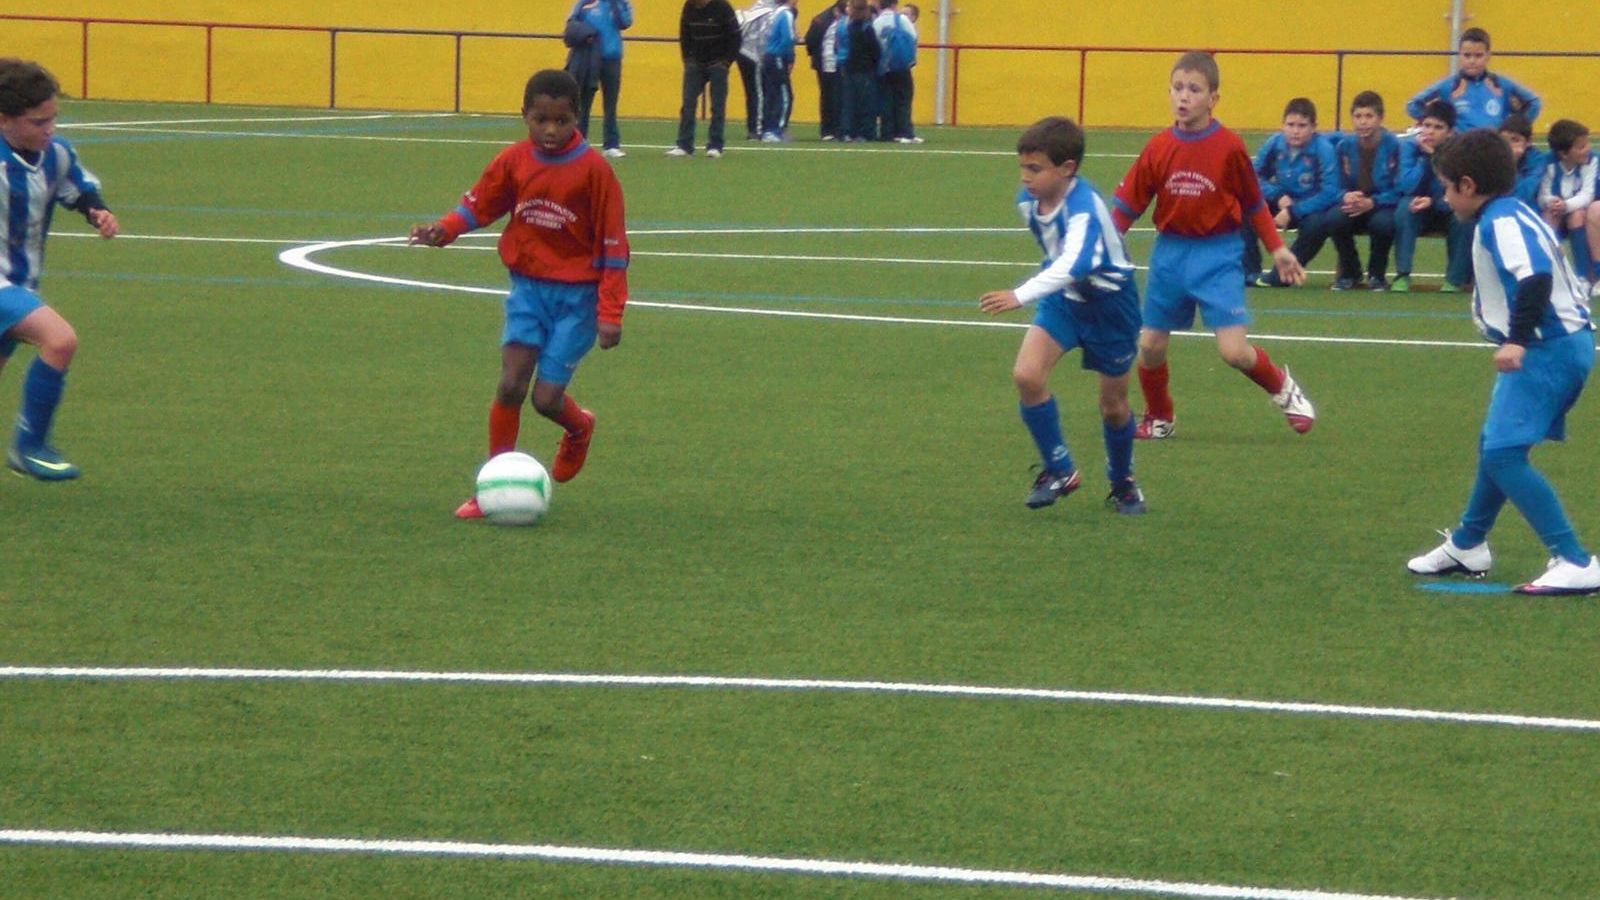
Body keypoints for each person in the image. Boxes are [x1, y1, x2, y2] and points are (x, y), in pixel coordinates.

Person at [409, 70, 629, 519]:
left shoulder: (595, 172)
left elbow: (613, 246)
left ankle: (579, 426)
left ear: (577, 118)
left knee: (545, 399)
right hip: (528, 290)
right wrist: (443, 230)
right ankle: (490, 487)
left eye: (562, 121)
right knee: (510, 384)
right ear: (524, 115)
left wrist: (610, 311)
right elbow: (478, 205)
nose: (551, 130)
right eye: (540, 119)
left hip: (578, 300)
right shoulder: (513, 161)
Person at [1406, 129, 1600, 595]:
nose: (1444, 196)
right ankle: (1469, 543)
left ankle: (1574, 559)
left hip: (1548, 347)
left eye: (1447, 186)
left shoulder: (1501, 220)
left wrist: (1516, 340)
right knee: (1497, 443)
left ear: (1468, 186)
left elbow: (1533, 276)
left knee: (1503, 452)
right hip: (1558, 344)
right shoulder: (1507, 211)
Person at [1110, 51, 1314, 441]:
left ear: (1213, 98)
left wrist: (1276, 248)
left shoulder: (1229, 147)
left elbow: (1254, 202)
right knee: (1149, 345)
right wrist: (1102, 244)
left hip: (1217, 254)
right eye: (1177, 88)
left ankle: (1285, 390)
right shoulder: (1158, 147)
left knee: (1234, 352)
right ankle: (1160, 417)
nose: (1183, 97)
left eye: (1194, 89)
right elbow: (1127, 205)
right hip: (1170, 253)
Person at [978, 116, 1145, 514]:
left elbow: (1073, 263)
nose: (1025, 178)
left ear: (1067, 169)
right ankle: (1060, 470)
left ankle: (1123, 482)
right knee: (1026, 375)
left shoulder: (1086, 209)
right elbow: (1059, 262)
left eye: (1035, 169)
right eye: (1022, 168)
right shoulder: (1028, 204)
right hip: (1066, 300)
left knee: (1113, 406)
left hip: (1111, 307)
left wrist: (1019, 295)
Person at [0, 59, 116, 481]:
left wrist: (97, 212)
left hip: (19, 281)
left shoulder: (57, 155)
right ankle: (28, 448)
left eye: (53, 119)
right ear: (4, 119)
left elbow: (78, 189)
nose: (49, 129)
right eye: (37, 122)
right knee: (60, 340)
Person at [1247, 98, 1341, 288]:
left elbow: (1330, 191)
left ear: (1313, 127)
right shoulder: (1275, 143)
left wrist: (1292, 211)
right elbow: (1251, 177)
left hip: (1310, 207)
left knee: (1318, 225)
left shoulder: (1323, 149)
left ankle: (1282, 274)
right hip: (1282, 200)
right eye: (1290, 125)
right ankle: (1250, 271)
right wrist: (1277, 195)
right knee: (1244, 209)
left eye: (1302, 125)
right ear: (1283, 125)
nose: (1295, 131)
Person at [1392, 99, 1474, 292]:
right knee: (1405, 208)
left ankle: (1454, 279)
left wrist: (1433, 158)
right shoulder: (1409, 147)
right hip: (1418, 207)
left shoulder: (1459, 151)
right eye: (1426, 125)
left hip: (1447, 207)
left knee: (1463, 217)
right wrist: (1424, 160)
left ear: (1450, 132)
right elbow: (1405, 185)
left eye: (1438, 127)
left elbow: (1457, 191)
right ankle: (1402, 274)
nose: (1430, 132)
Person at [1325, 90, 1402, 291]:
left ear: (1380, 118)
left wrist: (1373, 202)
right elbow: (1333, 184)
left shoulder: (1395, 146)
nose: (1363, 122)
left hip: (1382, 203)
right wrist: (1344, 195)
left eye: (1369, 116)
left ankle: (1377, 275)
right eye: (1358, 116)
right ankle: (1350, 272)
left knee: (1383, 224)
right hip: (1354, 202)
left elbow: (1399, 189)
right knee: (1334, 219)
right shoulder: (1344, 146)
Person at [1405, 27, 1540, 132]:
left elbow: (1534, 102)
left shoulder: (1502, 84)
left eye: (1478, 55)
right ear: (1459, 55)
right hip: (1459, 150)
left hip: (1495, 151)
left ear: (1488, 56)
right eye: (1467, 55)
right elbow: (1413, 104)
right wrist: (1435, 123)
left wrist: (1517, 129)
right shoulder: (1448, 86)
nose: (1472, 61)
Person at [672, 0, 743, 158]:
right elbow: (684, 35)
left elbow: (736, 37)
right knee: (688, 103)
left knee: (717, 106)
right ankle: (684, 145)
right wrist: (687, 60)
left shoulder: (723, 7)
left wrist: (726, 62)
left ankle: (715, 145)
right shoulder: (689, 7)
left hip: (718, 63)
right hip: (695, 63)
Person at [1536, 119, 1599, 287]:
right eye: (1581, 147)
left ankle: (1584, 276)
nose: (1588, 149)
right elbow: (1543, 195)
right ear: (1563, 154)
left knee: (1577, 215)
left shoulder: (1591, 161)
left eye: (1587, 144)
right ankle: (1549, 271)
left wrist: (1566, 205)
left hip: (1584, 216)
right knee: (1549, 214)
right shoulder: (1548, 163)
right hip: (1559, 213)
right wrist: (1552, 202)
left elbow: (1588, 194)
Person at [566, 0, 633, 158]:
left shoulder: (621, 3)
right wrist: (586, 33)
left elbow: (625, 23)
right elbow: (572, 23)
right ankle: (579, 141)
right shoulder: (585, 3)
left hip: (612, 58)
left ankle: (611, 144)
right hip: (589, 58)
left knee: (611, 103)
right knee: (584, 101)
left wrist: (615, 5)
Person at [873, 0, 920, 143]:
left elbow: (874, 43)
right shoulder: (902, 19)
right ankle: (904, 132)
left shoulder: (877, 22)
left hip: (884, 66)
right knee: (903, 99)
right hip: (901, 66)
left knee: (886, 100)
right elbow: (913, 37)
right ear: (894, 5)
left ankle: (888, 133)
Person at [835, 0, 879, 143]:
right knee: (865, 103)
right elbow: (875, 50)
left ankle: (847, 132)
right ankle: (865, 133)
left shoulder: (846, 26)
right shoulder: (867, 28)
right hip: (865, 70)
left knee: (848, 103)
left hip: (848, 68)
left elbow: (839, 46)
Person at [736, 0, 780, 140]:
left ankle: (753, 126)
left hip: (743, 50)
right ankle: (757, 129)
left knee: (751, 92)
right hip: (754, 53)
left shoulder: (758, 6)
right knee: (759, 92)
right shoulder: (772, 12)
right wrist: (764, 58)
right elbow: (763, 36)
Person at [804, 0, 847, 141]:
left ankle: (830, 130)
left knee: (831, 97)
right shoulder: (823, 20)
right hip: (828, 64)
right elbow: (810, 40)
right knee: (832, 97)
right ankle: (831, 130)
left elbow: (809, 41)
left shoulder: (820, 19)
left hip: (827, 63)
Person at [759, 0, 798, 141]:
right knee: (784, 95)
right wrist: (786, 56)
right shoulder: (786, 14)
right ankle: (777, 129)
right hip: (777, 57)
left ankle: (768, 129)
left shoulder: (775, 13)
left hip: (768, 56)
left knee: (771, 93)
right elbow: (788, 39)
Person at [1499, 113, 1548, 209]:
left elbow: (1523, 194)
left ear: (1529, 141)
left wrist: (1512, 162)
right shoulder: (1492, 156)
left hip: (1527, 210)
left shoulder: (1537, 159)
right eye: (1503, 140)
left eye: (1515, 140)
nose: (1508, 145)